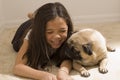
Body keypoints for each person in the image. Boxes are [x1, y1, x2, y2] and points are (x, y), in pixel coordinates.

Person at [12, 2, 74, 80]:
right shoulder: (31, 37)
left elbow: (68, 58)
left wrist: (63, 72)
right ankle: (33, 18)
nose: (57, 36)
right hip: (24, 30)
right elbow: (18, 67)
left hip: (40, 24)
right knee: (34, 25)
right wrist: (43, 75)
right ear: (40, 32)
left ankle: (34, 17)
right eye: (50, 32)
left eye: (62, 31)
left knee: (45, 22)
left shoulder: (69, 34)